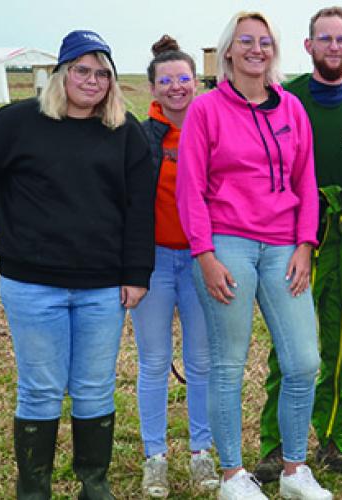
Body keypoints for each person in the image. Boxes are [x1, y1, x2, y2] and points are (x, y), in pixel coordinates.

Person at [0, 30, 154, 500]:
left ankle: (94, 483)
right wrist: (9, 228)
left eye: (101, 73)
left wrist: (135, 273)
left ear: (112, 81)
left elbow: (140, 208)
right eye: (81, 70)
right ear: (61, 74)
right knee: (41, 389)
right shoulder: (16, 123)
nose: (91, 80)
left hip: (102, 287)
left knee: (94, 388)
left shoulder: (126, 133)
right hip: (32, 284)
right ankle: (34, 488)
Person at [175, 11, 333, 500]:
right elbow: (190, 189)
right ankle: (231, 476)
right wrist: (204, 254)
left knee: (304, 361)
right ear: (228, 51)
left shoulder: (291, 109)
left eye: (265, 42)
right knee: (230, 363)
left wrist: (307, 244)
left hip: (285, 244)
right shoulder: (206, 110)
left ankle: (294, 471)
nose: (256, 49)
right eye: (246, 41)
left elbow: (306, 181)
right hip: (227, 243)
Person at [254, 6, 342, 482]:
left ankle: (333, 437)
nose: (333, 47)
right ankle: (277, 441)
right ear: (308, 46)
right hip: (294, 238)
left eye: (341, 39)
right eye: (324, 39)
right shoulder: (286, 98)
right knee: (291, 344)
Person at [133, 35, 219, 498]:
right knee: (153, 362)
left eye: (183, 78)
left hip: (200, 260)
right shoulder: (138, 135)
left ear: (196, 82)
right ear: (153, 88)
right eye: (165, 80)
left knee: (201, 362)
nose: (176, 87)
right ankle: (155, 458)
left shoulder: (213, 128)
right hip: (152, 263)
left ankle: (202, 452)